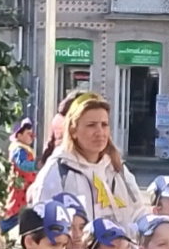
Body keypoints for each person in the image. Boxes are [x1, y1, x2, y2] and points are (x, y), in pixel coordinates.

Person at [27, 94, 146, 232]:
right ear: (73, 130)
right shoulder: (58, 171)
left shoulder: (117, 167)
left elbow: (138, 213)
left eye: (104, 125)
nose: (99, 132)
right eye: (91, 125)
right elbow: (44, 224)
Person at [2, 119, 38, 232]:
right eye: (28, 134)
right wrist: (36, 166)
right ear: (19, 135)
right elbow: (22, 164)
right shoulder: (18, 149)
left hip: (26, 187)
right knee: (15, 213)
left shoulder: (24, 148)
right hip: (20, 188)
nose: (31, 136)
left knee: (21, 214)